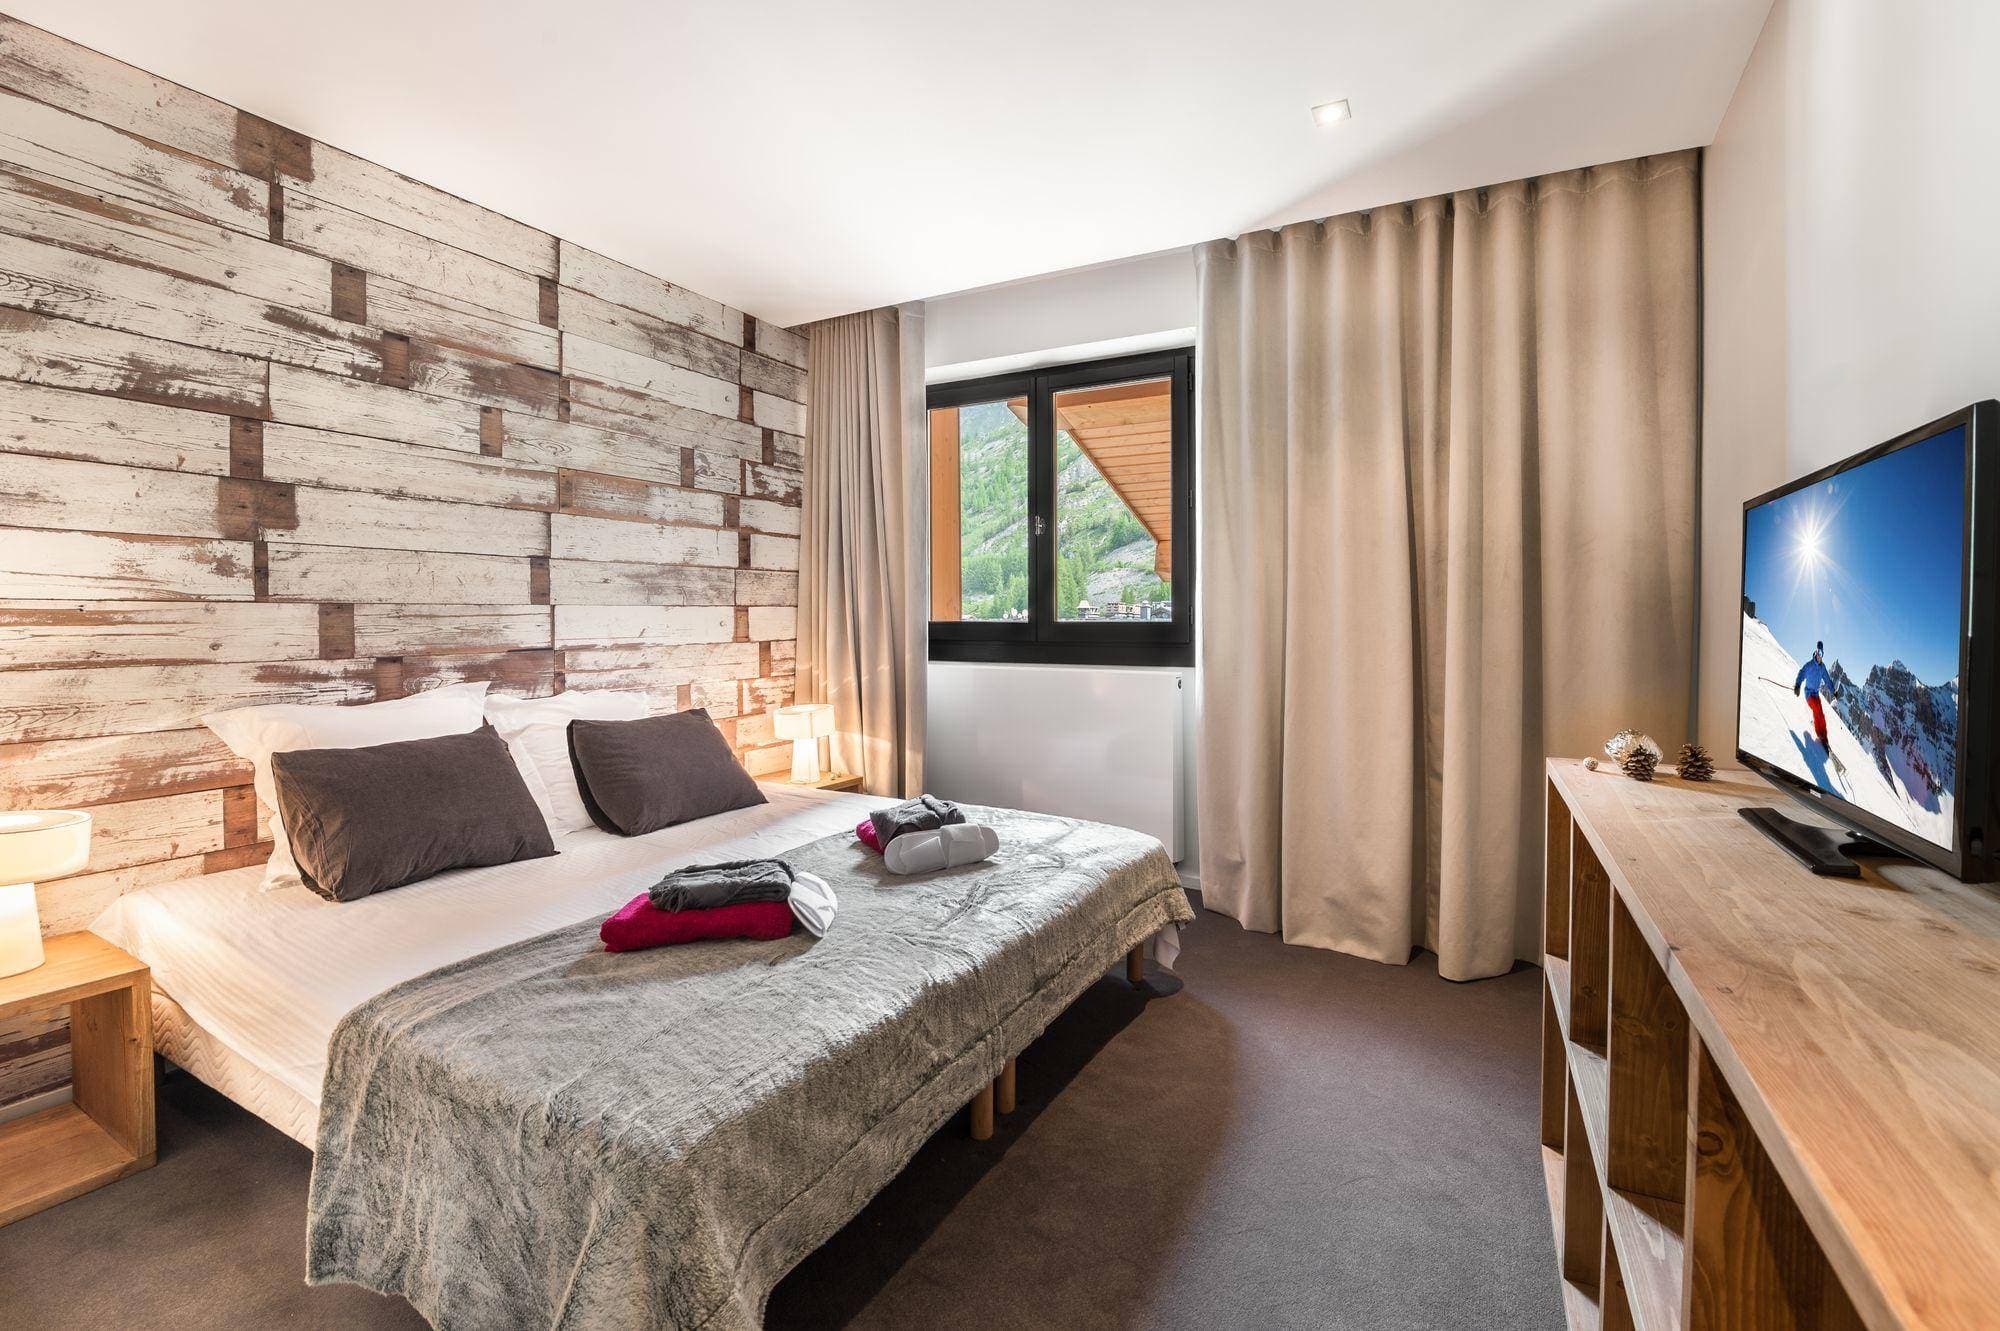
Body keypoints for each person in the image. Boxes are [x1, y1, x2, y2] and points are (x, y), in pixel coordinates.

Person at [1794, 641, 1836, 748]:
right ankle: (1820, 735)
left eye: (1821, 654)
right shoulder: (1810, 665)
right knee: (1817, 710)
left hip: (1816, 694)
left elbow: (1827, 680)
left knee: (1821, 714)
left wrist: (1833, 691)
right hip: (1808, 693)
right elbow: (1802, 673)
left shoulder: (1822, 668)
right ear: (1816, 652)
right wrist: (1798, 685)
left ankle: (1824, 737)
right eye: (1818, 653)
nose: (1819, 656)